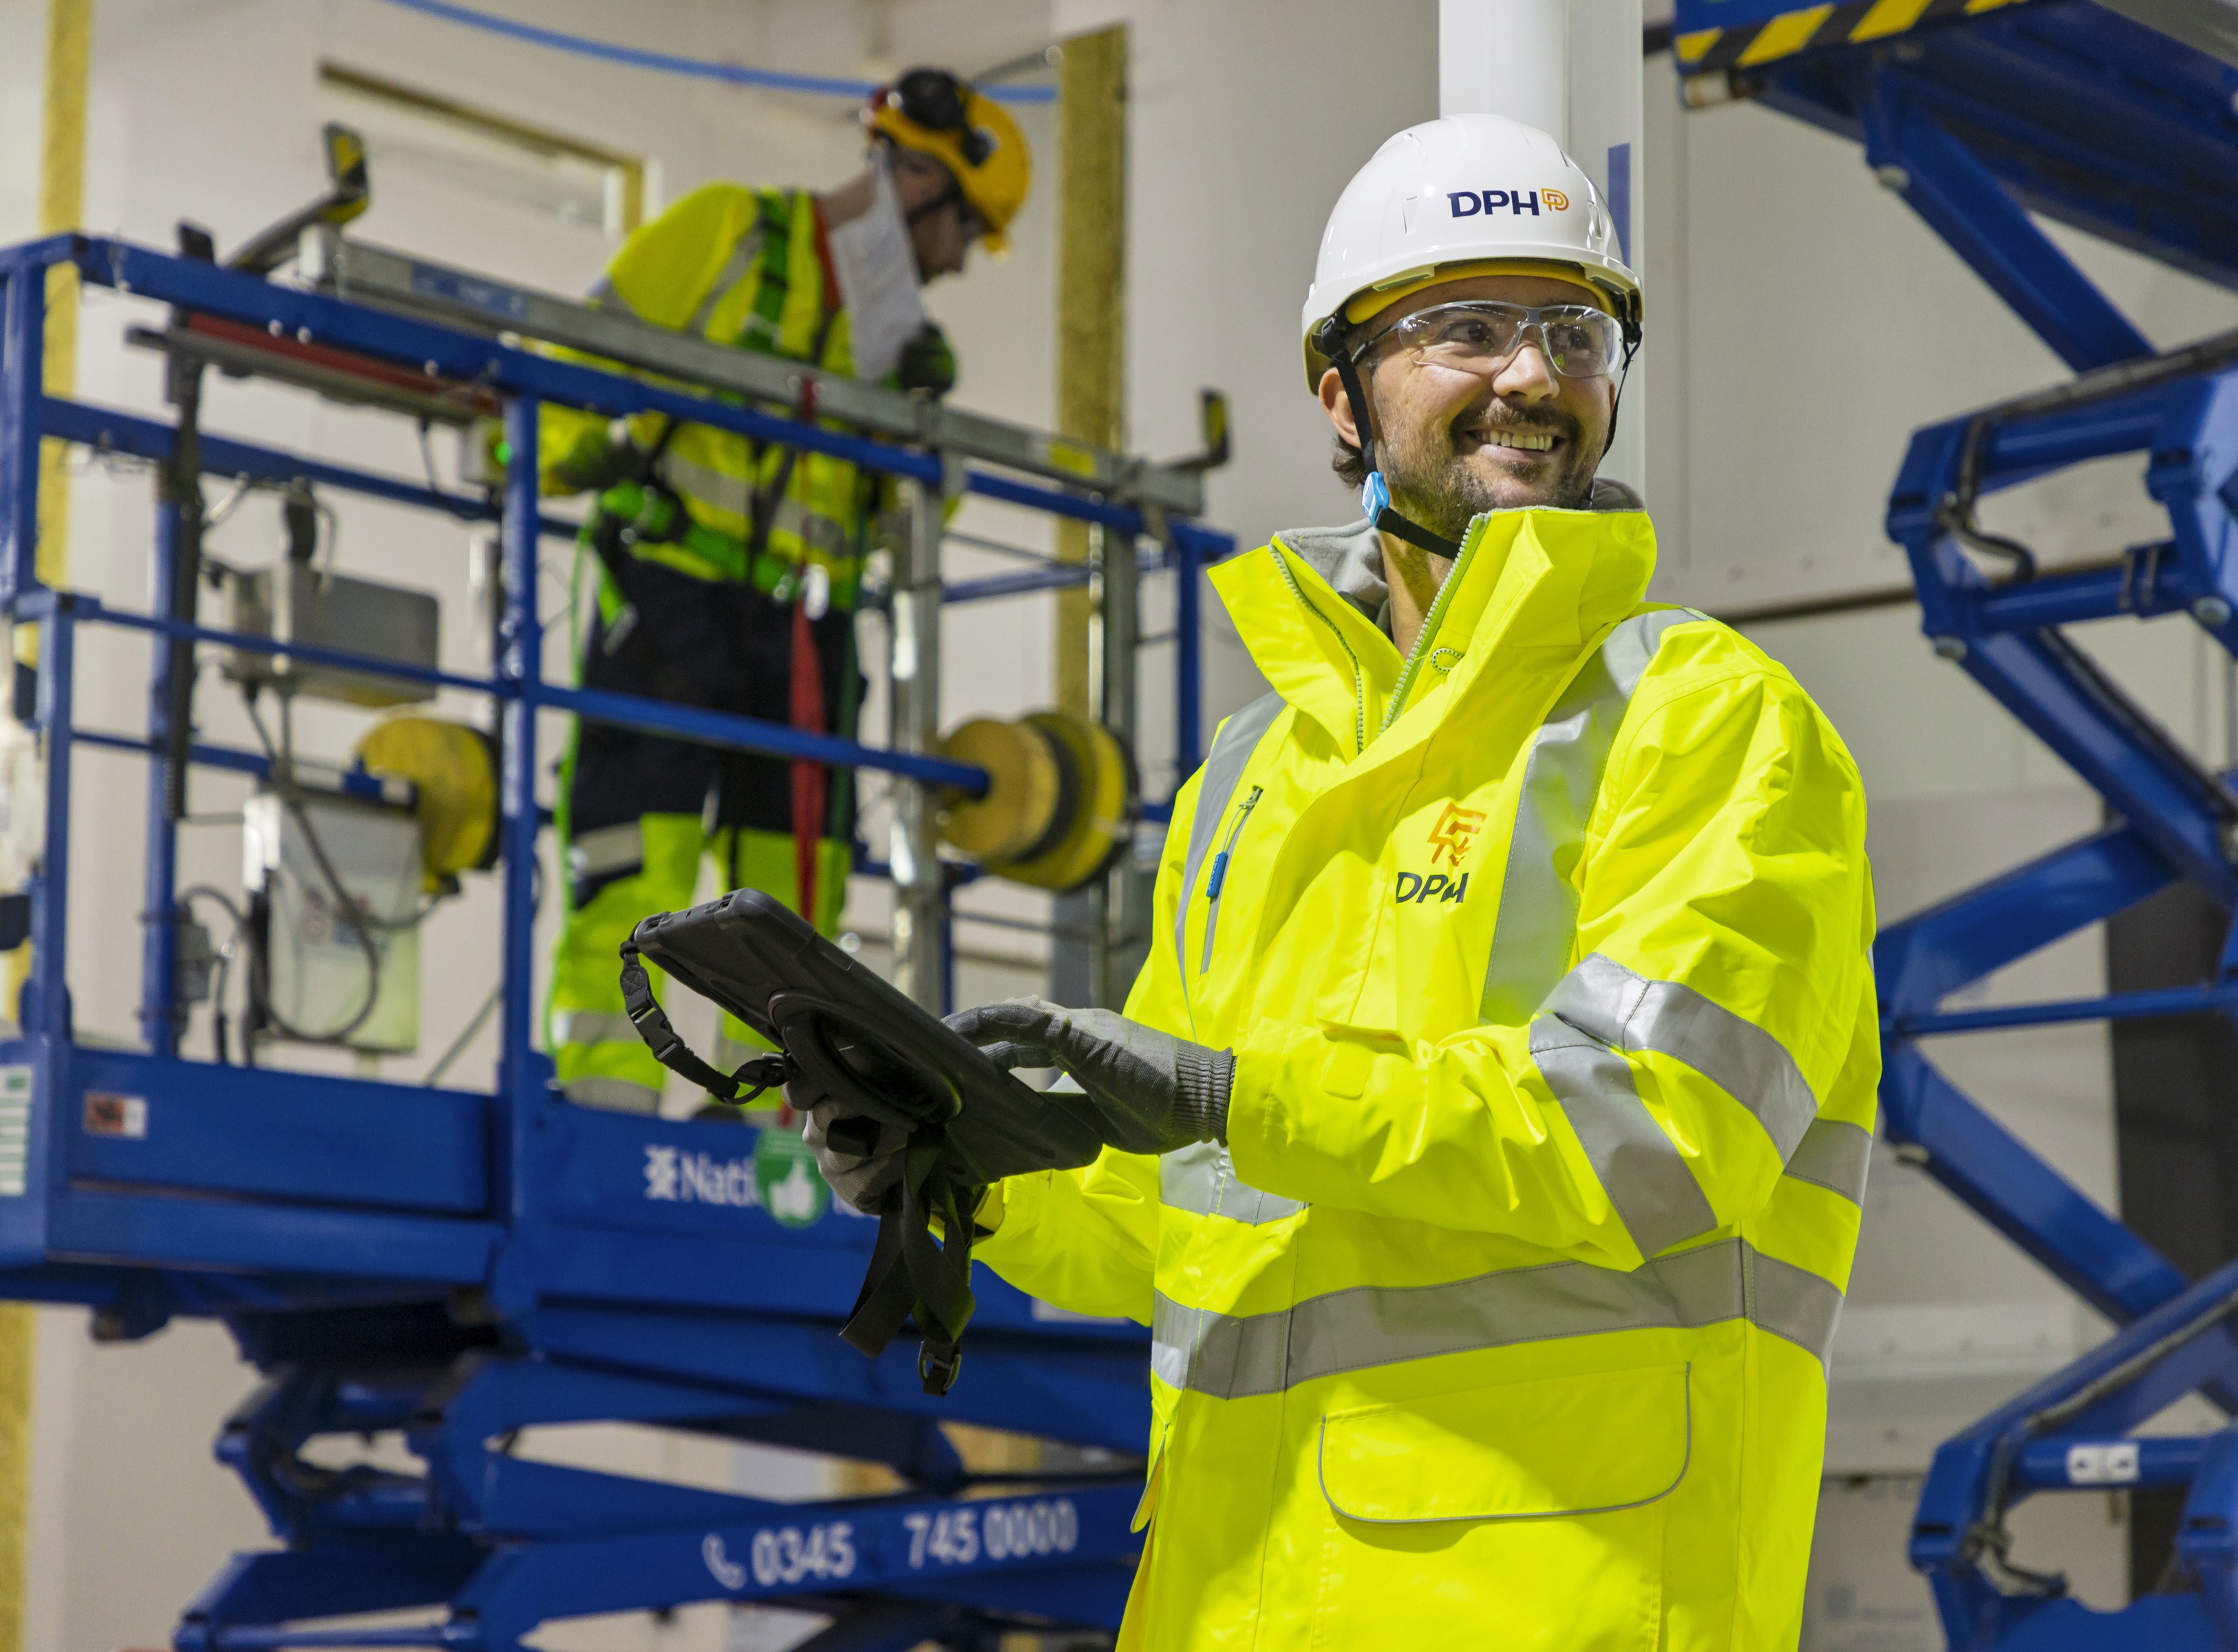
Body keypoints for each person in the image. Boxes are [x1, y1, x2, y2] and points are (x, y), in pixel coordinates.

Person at [818, 114, 1877, 1649]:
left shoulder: (1705, 720)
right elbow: (1170, 1223)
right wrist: (963, 1177)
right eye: (1467, 329)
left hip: (1559, 1603)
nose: (1532, 377)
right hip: (1236, 1597)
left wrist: (1233, 1096)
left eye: (1574, 333)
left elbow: (1651, 1133)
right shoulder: (1248, 781)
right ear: (1341, 391)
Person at [541, 69, 1028, 1113]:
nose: (955, 262)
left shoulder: (897, 343)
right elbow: (571, 366)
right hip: (667, 594)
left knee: (789, 907)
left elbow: (908, 529)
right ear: (916, 180)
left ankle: (764, 1132)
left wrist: (920, 432)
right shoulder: (729, 235)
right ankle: (604, 1117)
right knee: (638, 860)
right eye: (964, 231)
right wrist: (543, 456)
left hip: (801, 636)